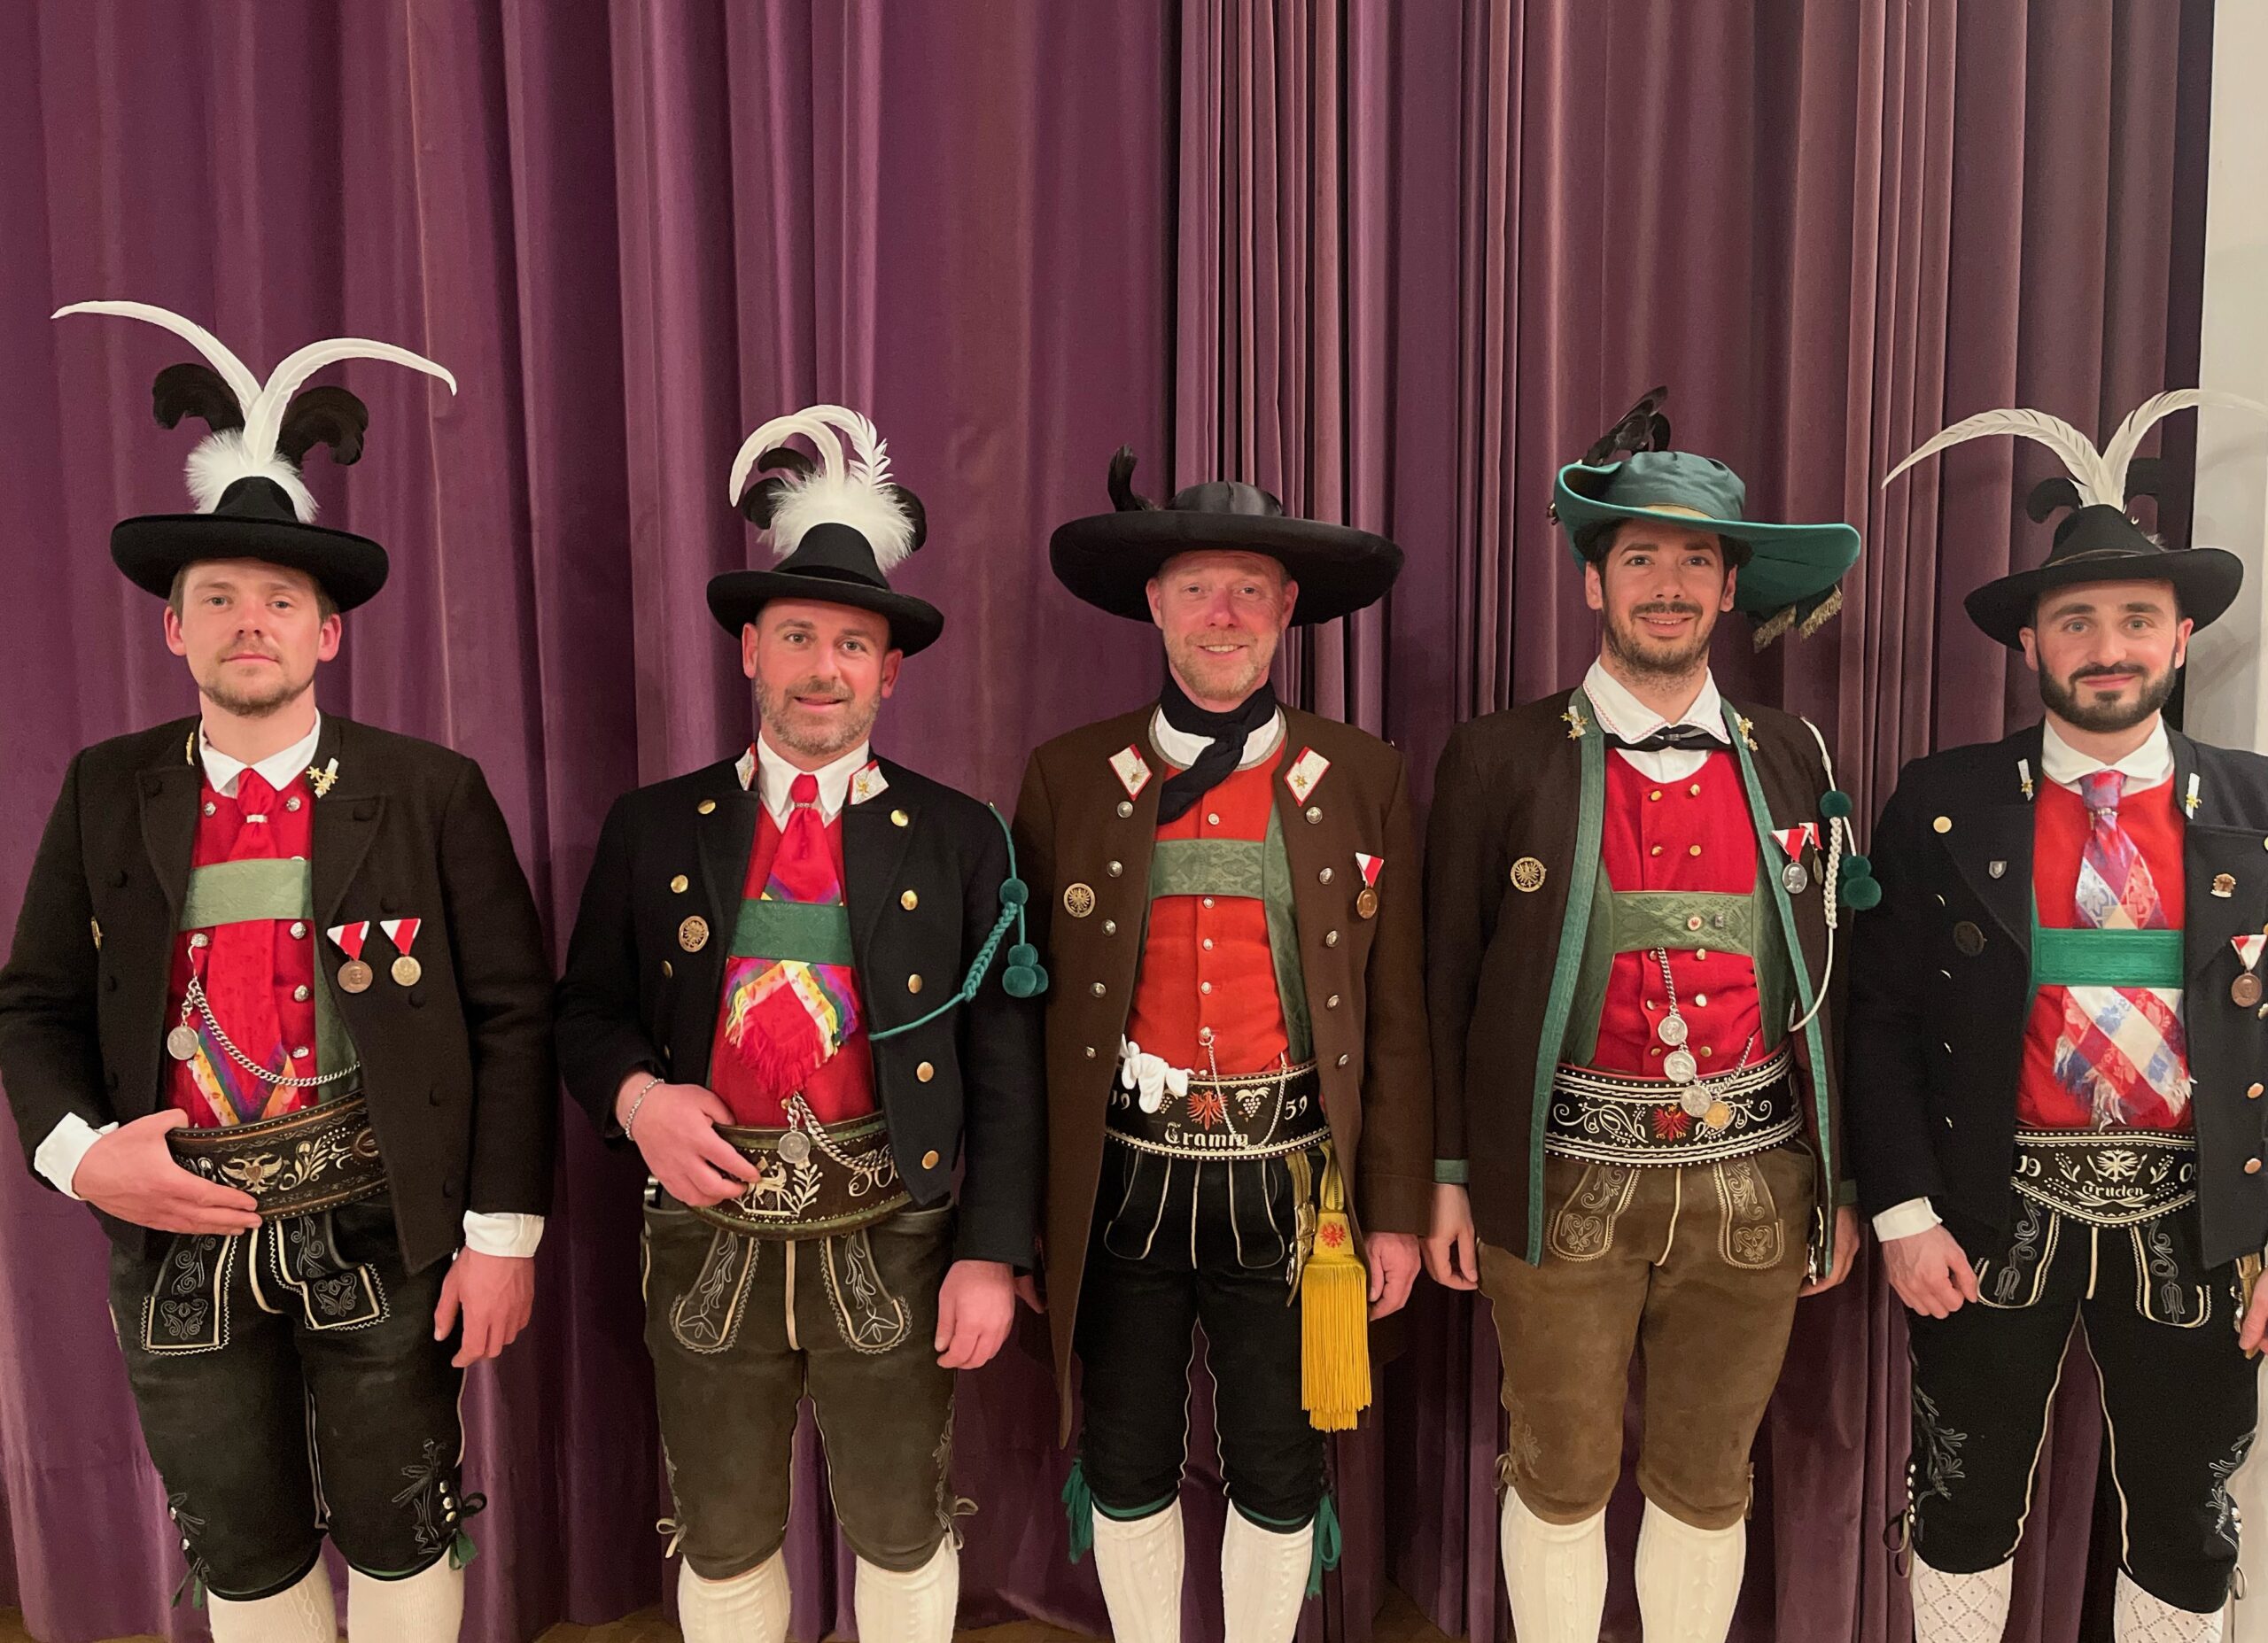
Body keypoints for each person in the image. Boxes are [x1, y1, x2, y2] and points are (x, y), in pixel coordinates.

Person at [0, 300, 555, 1642]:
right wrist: (83, 1159)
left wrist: (501, 1242)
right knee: (239, 1545)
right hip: (174, 1234)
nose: (251, 623)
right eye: (220, 600)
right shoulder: (105, 790)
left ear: (328, 634)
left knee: (403, 1523)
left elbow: (513, 1020)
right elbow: (33, 1005)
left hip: (383, 1227)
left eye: (281, 602)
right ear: (174, 629)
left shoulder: (430, 792)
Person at [554, 405, 1045, 1643]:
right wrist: (638, 1101)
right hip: (703, 1233)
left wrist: (992, 1251)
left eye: (853, 645)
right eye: (797, 638)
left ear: (891, 669)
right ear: (749, 652)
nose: (824, 669)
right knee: (721, 1533)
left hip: (898, 1235)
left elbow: (1004, 1064)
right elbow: (587, 1012)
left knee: (903, 1523)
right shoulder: (652, 827)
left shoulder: (963, 836)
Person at [1425, 390, 1868, 1643]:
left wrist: (1838, 1183)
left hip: (1757, 1184)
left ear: (1729, 589)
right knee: (1560, 1475)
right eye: (1639, 559)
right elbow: (1443, 983)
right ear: (1593, 582)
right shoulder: (1496, 757)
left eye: (1694, 561)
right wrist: (1450, 1176)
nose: (1667, 586)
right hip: (1557, 1178)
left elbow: (1836, 981)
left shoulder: (1796, 754)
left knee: (1708, 1480)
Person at [1855, 392, 2268, 1643]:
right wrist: (1903, 1211)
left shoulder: (2257, 811)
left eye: (2136, 619)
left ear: (2181, 636)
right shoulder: (1941, 801)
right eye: (2076, 620)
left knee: (2188, 1519)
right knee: (1961, 1500)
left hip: (2204, 1223)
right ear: (2031, 641)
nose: (2107, 647)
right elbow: (1877, 1016)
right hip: (1989, 1211)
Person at [1016, 449, 1432, 1642]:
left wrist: (1397, 1211)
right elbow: (1026, 1021)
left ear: (1288, 609)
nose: (1224, 615)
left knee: (1281, 1462)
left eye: (1251, 590)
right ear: (1154, 603)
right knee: (1124, 1454)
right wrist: (1029, 1212)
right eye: (1198, 588)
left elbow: (1397, 1018)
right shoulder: (1067, 778)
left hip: (1298, 1192)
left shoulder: (1362, 776)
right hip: (1121, 1185)